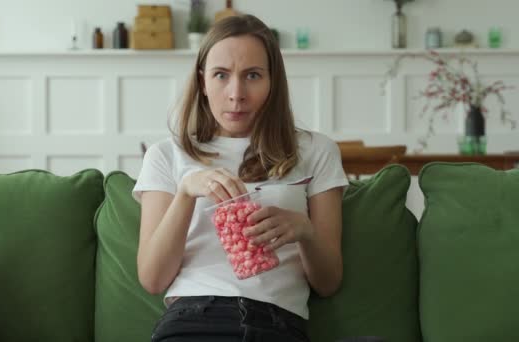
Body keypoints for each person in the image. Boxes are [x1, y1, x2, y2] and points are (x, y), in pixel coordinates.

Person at [133, 14, 380, 342]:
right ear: (203, 81)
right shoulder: (167, 155)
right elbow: (152, 279)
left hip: (277, 322)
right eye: (221, 75)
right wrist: (186, 192)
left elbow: (328, 282)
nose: (236, 94)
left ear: (272, 82)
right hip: (192, 319)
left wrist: (304, 231)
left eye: (252, 75)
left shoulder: (316, 150)